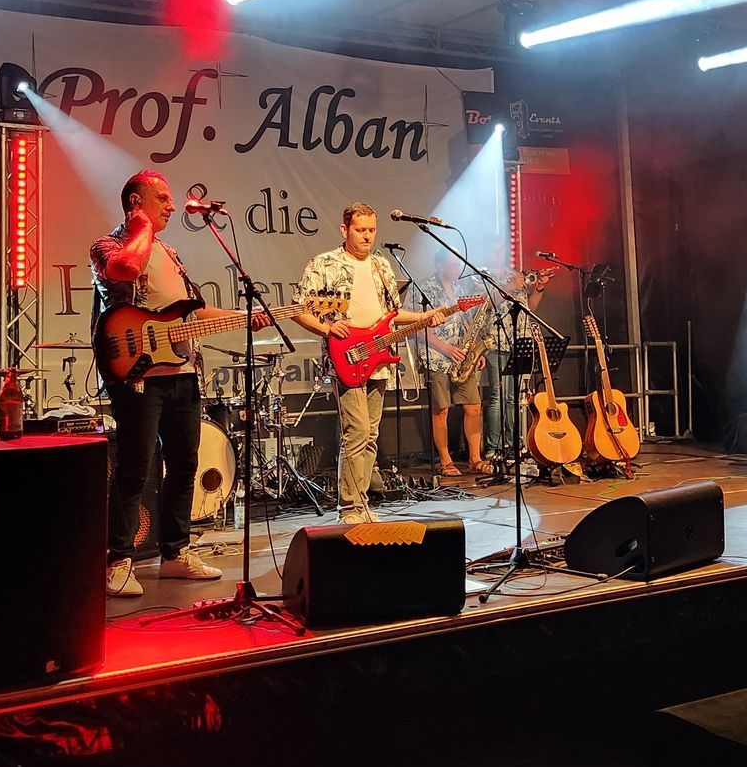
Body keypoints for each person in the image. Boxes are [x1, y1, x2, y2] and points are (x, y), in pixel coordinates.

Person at [92, 170, 269, 596]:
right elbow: (125, 269)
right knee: (135, 466)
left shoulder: (170, 253)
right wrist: (141, 226)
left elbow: (191, 313)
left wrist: (244, 317)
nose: (172, 206)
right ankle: (119, 560)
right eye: (162, 198)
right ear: (136, 202)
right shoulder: (108, 245)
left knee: (184, 463)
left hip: (182, 373)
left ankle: (175, 553)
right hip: (138, 376)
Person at [291, 202, 448, 522]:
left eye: (371, 230)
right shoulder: (324, 264)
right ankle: (349, 507)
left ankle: (361, 504)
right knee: (357, 431)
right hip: (346, 357)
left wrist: (424, 317)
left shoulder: (381, 265)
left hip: (378, 357)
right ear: (344, 229)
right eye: (360, 230)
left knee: (371, 434)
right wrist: (327, 328)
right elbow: (298, 309)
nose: (367, 236)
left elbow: (392, 314)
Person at [415, 246, 490, 478]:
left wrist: (476, 352)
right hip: (437, 358)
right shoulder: (424, 290)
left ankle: (475, 459)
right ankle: (446, 461)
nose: (459, 268)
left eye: (459, 264)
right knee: (442, 411)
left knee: (474, 407)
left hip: (461, 356)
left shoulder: (460, 289)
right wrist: (446, 349)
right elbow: (417, 329)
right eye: (454, 264)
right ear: (440, 266)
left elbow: (467, 323)